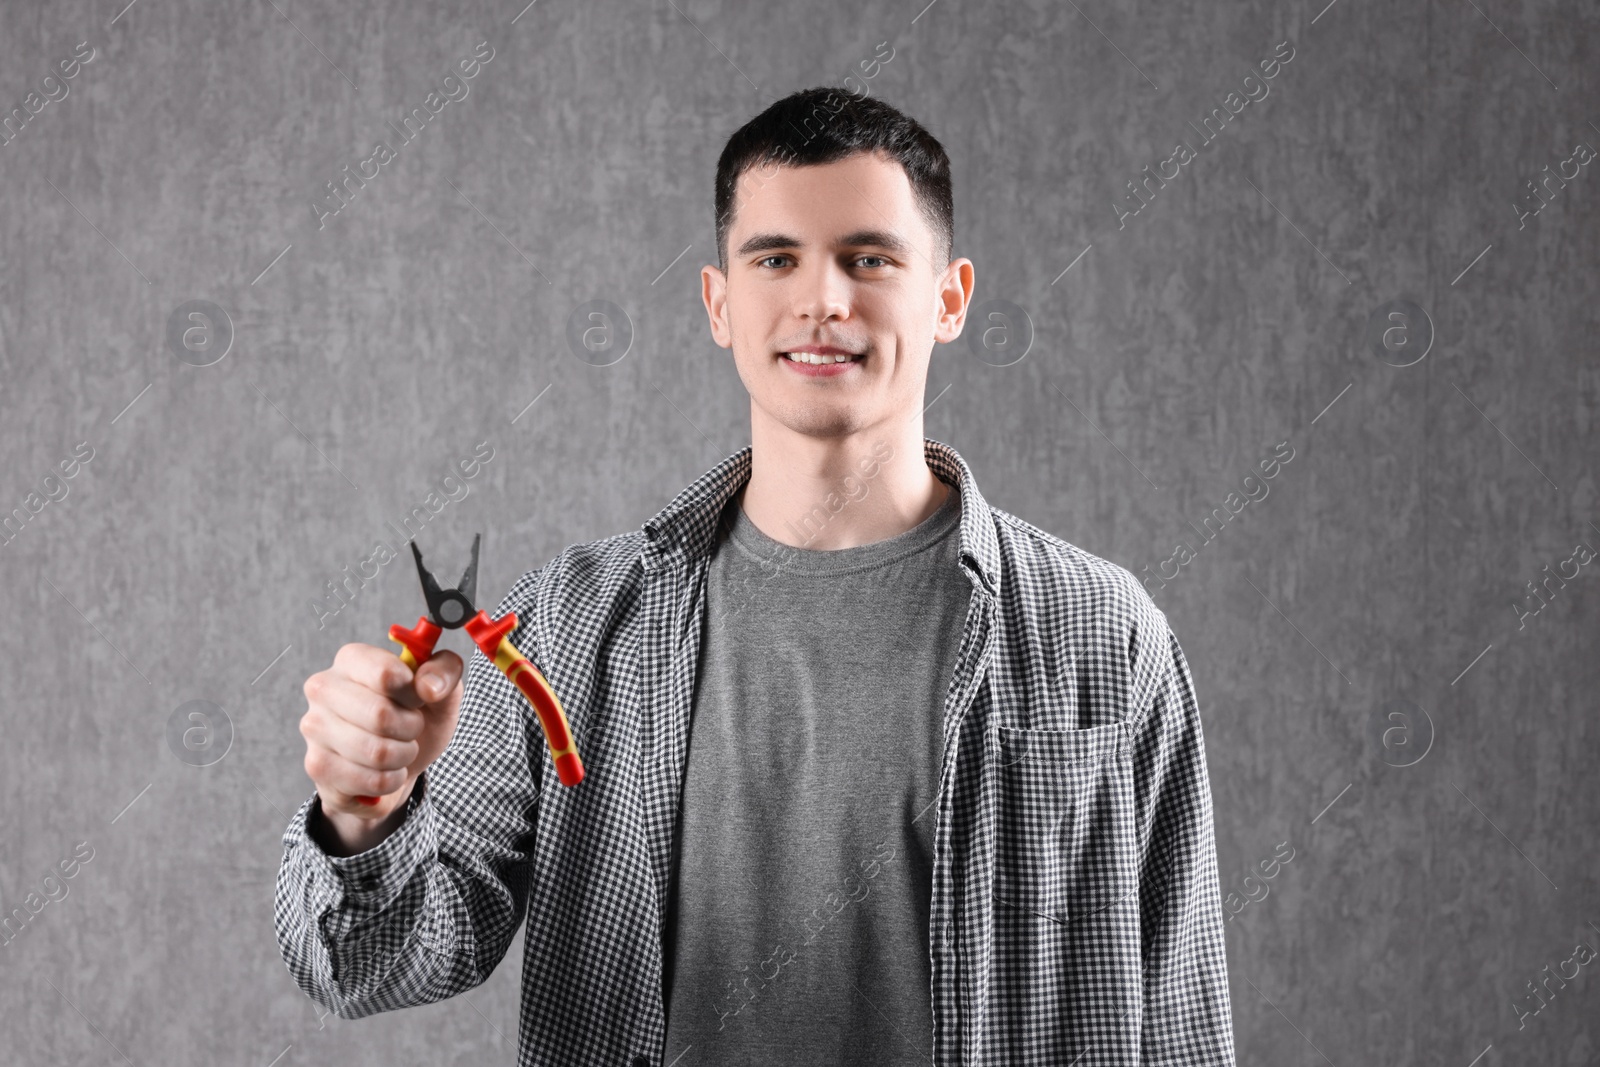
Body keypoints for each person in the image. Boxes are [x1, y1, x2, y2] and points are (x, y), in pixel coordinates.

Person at [274, 85, 1236, 1067]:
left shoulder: (1098, 629)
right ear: (720, 304)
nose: (823, 299)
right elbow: (376, 962)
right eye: (777, 258)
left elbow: (1183, 1019)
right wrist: (364, 808)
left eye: (869, 257)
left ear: (948, 298)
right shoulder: (571, 625)